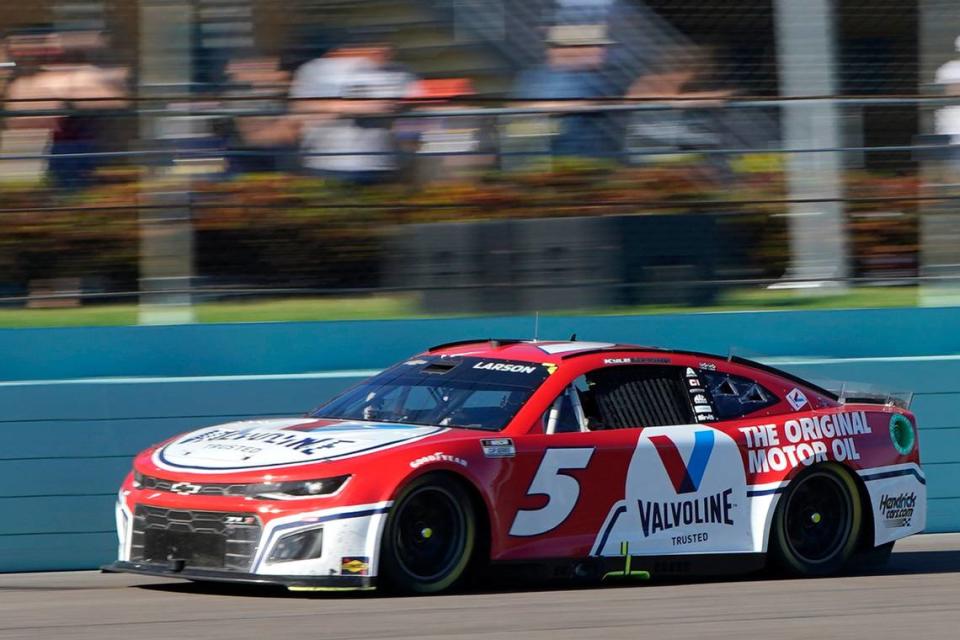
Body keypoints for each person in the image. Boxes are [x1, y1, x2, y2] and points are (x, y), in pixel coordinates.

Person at [289, 43, 417, 184]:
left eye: (384, 49)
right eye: (374, 47)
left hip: (379, 163)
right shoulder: (317, 69)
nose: (380, 53)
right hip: (328, 163)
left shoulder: (396, 72)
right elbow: (303, 106)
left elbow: (408, 108)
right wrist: (354, 106)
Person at [510, 24, 623, 160]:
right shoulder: (534, 77)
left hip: (589, 159)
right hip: (554, 159)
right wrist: (580, 104)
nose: (601, 52)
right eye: (594, 46)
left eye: (600, 47)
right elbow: (520, 115)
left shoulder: (601, 78)